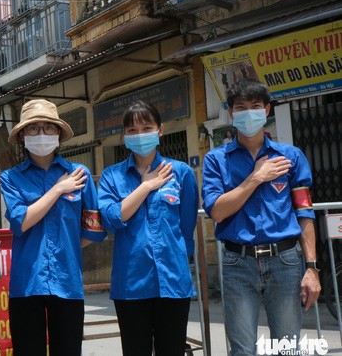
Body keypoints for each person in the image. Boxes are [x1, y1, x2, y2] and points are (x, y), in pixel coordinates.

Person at [201, 78, 320, 355]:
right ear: (231, 113)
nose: (248, 113)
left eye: (255, 106)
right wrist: (255, 178)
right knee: (242, 350)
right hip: (237, 262)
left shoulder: (290, 157)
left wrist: (312, 269)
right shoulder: (216, 160)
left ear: (266, 110)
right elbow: (217, 210)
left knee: (287, 347)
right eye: (240, 107)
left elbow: (304, 212)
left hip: (285, 261)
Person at [0, 99, 107, 356]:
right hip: (27, 284)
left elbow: (92, 231)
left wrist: (63, 245)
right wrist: (58, 188)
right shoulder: (11, 178)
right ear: (23, 134)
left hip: (67, 282)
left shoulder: (79, 174)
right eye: (34, 128)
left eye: (48, 127)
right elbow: (21, 221)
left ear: (58, 132)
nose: (41, 134)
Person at [98, 100, 199, 356]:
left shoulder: (181, 172)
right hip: (131, 284)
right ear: (124, 135)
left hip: (172, 281)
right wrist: (145, 186)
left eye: (147, 127)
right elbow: (111, 219)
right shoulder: (112, 176)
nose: (140, 134)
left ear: (160, 130)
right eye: (132, 130)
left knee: (172, 350)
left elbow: (186, 228)